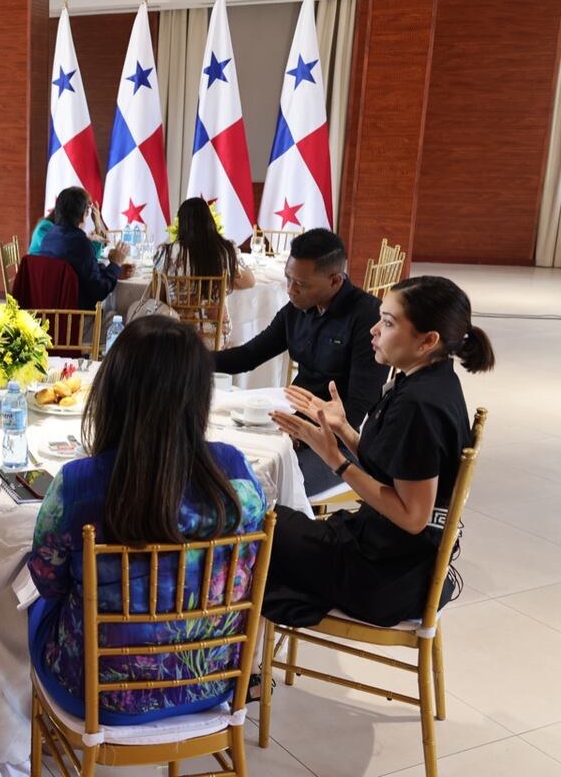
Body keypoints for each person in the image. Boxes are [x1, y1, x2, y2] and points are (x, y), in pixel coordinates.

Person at [28, 315, 268, 722]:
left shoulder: (77, 485)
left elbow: (47, 582)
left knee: (26, 600)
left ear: (112, 391)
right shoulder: (236, 473)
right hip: (210, 678)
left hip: (99, 692)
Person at [267, 275, 495, 628]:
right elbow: (392, 467)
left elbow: (412, 516)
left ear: (428, 340)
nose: (374, 330)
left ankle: (230, 651)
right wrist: (343, 428)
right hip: (391, 555)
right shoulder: (429, 380)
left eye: (388, 323)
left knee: (257, 526)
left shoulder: (419, 406)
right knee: (270, 519)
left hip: (384, 576)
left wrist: (336, 460)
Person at [213, 229, 387, 495]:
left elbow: (357, 409)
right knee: (224, 464)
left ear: (335, 280)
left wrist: (305, 436)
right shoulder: (297, 310)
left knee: (264, 486)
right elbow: (248, 356)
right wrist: (189, 357)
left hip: (343, 442)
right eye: (288, 279)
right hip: (295, 419)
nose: (290, 290)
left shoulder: (367, 318)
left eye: (301, 284)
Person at [157, 197, 255, 341]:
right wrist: (224, 281)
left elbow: (159, 296)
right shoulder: (226, 250)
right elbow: (250, 282)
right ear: (210, 220)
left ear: (181, 224)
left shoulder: (165, 252)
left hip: (175, 335)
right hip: (216, 335)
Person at [36, 187, 129, 310]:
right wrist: (115, 264)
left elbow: (81, 271)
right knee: (119, 314)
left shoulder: (49, 237)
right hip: (75, 316)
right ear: (85, 214)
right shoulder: (80, 243)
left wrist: (114, 270)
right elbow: (100, 291)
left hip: (49, 311)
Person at [28, 202, 108, 258]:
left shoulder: (68, 232)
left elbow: (92, 259)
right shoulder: (45, 227)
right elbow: (62, 252)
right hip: (39, 274)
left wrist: (98, 226)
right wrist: (86, 241)